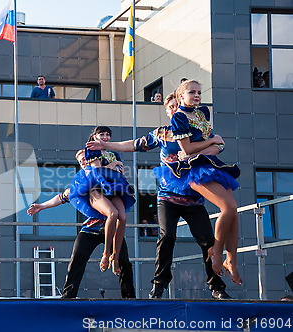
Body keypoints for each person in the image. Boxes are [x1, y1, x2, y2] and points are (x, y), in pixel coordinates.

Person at [87, 92, 231, 300]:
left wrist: (212, 146)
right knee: (167, 236)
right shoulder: (162, 133)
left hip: (193, 197)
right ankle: (159, 284)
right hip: (168, 197)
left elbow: (218, 145)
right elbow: (134, 144)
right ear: (166, 111)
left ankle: (216, 286)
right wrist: (106, 145)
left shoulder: (198, 132)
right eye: (170, 107)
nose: (174, 110)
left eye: (177, 106)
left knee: (207, 240)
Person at [155, 80, 241, 286]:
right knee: (227, 208)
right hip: (194, 171)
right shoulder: (178, 117)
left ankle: (232, 261)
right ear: (181, 96)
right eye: (192, 92)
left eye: (199, 92)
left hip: (211, 165)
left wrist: (212, 146)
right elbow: (186, 150)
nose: (197, 96)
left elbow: (220, 145)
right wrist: (211, 142)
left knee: (234, 211)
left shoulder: (202, 113)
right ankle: (217, 255)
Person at [27, 150, 135, 298]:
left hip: (112, 229)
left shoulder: (106, 175)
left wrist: (115, 163)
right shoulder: (83, 180)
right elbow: (62, 196)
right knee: (77, 258)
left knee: (125, 262)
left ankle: (129, 297)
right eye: (80, 161)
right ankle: (68, 296)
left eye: (85, 159)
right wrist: (42, 206)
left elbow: (108, 171)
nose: (83, 162)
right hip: (91, 228)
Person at [68, 127, 135, 276]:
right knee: (113, 213)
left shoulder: (113, 153)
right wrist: (112, 167)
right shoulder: (92, 149)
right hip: (98, 188)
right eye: (101, 134)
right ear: (95, 135)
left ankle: (115, 258)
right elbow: (96, 172)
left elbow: (120, 171)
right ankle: (106, 254)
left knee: (122, 217)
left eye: (107, 134)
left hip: (116, 188)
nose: (105, 137)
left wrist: (118, 171)